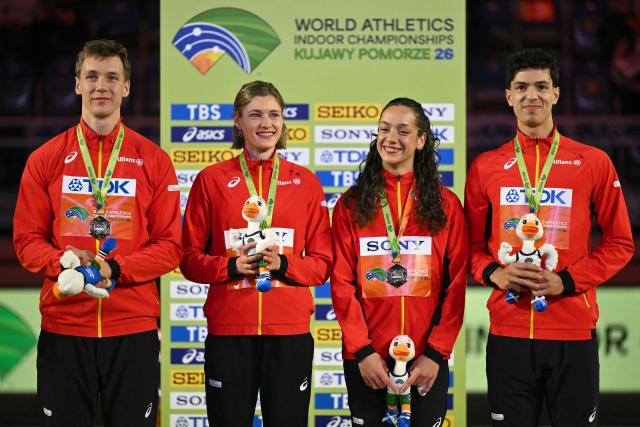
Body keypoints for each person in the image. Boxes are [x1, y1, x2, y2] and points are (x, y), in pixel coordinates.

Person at [12, 39, 182, 426]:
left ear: (127, 88)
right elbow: (26, 240)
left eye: (111, 77)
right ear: (77, 84)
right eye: (91, 76)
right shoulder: (45, 159)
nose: (100, 86)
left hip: (133, 328)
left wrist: (115, 269)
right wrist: (62, 261)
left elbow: (170, 246)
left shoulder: (153, 160)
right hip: (65, 326)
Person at [465, 48, 634, 426]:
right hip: (508, 330)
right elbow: (471, 248)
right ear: (508, 95)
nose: (532, 95)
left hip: (572, 330)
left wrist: (568, 281)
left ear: (556, 93)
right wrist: (495, 274)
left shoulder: (592, 162)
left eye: (542, 86)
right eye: (521, 87)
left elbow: (620, 243)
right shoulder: (485, 167)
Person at [180, 80, 333, 427]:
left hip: (289, 333)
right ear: (238, 121)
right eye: (256, 114)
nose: (267, 123)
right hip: (229, 332)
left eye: (274, 114)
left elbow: (322, 264)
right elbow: (188, 258)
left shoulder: (306, 182)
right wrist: (232, 266)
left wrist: (284, 264)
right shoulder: (211, 180)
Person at [331, 98, 467, 426]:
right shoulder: (350, 205)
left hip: (425, 361)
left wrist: (436, 353)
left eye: (403, 131)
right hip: (367, 361)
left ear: (421, 141)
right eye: (384, 129)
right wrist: (362, 352)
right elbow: (341, 283)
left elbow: (457, 284)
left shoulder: (446, 205)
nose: (391, 137)